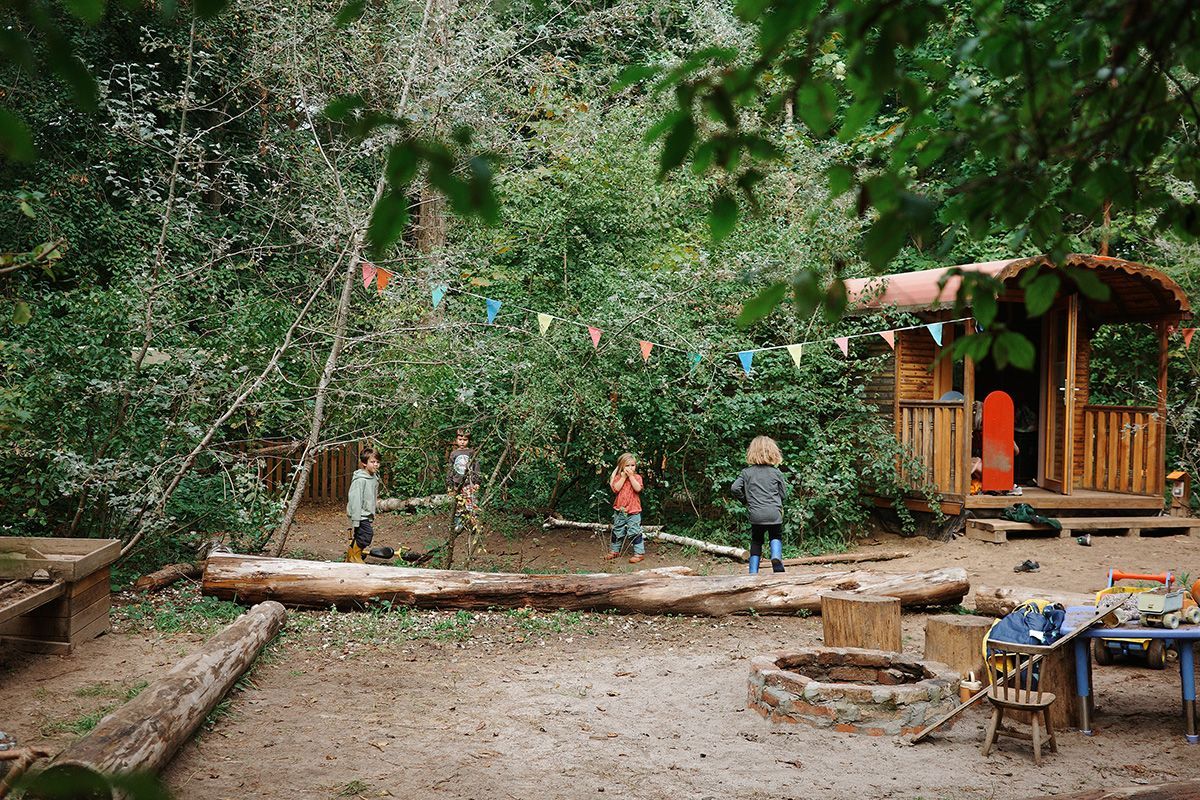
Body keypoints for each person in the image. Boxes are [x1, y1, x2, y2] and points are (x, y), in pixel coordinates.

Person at [730, 436, 789, 574]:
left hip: (756, 514)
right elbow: (784, 495)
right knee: (776, 535)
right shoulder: (776, 472)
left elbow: (734, 488)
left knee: (756, 541)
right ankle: (775, 556)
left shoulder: (746, 473)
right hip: (774, 513)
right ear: (773, 452)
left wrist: (745, 500)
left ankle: (753, 571)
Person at [446, 428, 483, 554]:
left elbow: (476, 467)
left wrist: (477, 481)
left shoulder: (471, 452)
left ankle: (475, 525)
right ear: (456, 440)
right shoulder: (453, 454)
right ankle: (459, 524)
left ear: (468, 440)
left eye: (465, 440)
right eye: (460, 439)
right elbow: (451, 469)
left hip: (469, 482)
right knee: (458, 505)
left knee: (471, 503)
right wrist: (450, 484)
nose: (462, 442)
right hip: (457, 483)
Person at [606, 453, 645, 564]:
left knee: (634, 531)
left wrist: (631, 476)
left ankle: (639, 553)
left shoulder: (637, 477)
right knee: (617, 530)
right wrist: (623, 477)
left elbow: (637, 489)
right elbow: (616, 489)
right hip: (620, 510)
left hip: (633, 510)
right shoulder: (619, 477)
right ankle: (615, 551)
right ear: (621, 467)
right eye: (627, 466)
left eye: (632, 465)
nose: (630, 468)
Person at [345, 448, 381, 563]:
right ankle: (355, 557)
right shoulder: (360, 480)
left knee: (360, 535)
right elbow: (355, 500)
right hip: (359, 513)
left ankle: (351, 556)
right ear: (364, 463)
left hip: (366, 513)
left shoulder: (374, 478)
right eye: (372, 462)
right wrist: (356, 520)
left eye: (377, 462)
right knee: (366, 535)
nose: (376, 464)